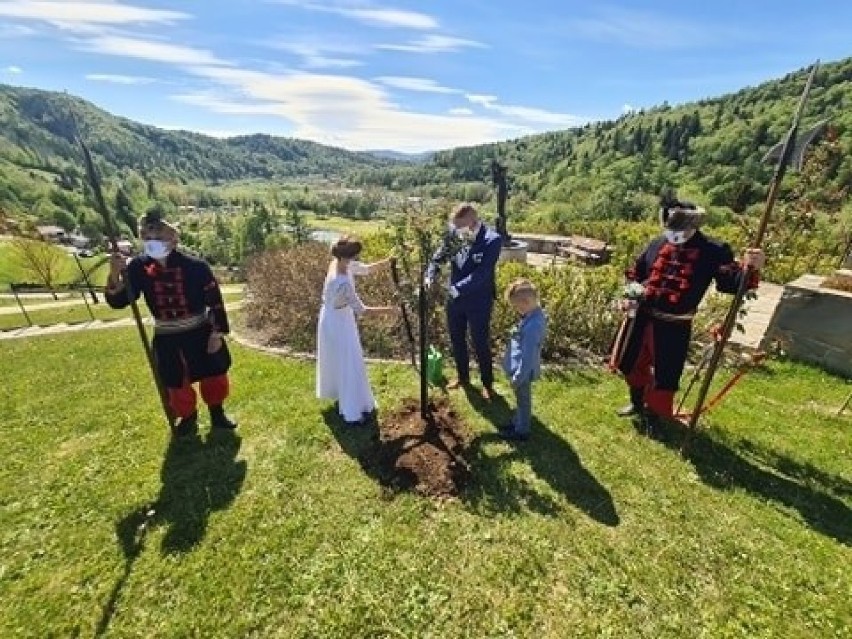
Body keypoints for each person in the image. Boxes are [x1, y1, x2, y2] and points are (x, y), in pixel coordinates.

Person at [612, 196, 766, 435]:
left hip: (674, 325)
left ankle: (654, 417)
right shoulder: (656, 243)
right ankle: (637, 403)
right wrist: (630, 293)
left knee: (666, 374)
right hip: (642, 319)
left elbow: (730, 283)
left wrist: (750, 267)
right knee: (632, 362)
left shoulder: (713, 250)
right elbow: (637, 272)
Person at [105, 206, 236, 438]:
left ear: (173, 237)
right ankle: (188, 418)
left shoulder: (196, 267)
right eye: (147, 236)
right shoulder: (138, 268)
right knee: (177, 381)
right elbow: (121, 301)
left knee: (213, 374)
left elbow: (215, 302)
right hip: (167, 337)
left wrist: (216, 334)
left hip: (200, 331)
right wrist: (115, 274)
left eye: (159, 236)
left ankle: (217, 414)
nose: (153, 240)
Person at [316, 236, 397, 425]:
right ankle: (352, 410)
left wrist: (388, 262)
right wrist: (391, 310)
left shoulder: (340, 263)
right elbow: (363, 310)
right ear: (347, 257)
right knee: (348, 363)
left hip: (334, 317)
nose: (356, 259)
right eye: (355, 256)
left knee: (342, 361)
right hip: (337, 324)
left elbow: (366, 269)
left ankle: (345, 397)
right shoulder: (342, 282)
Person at [425, 203, 502, 400]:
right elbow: (439, 256)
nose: (456, 230)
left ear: (472, 222)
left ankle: (487, 384)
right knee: (456, 338)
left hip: (479, 300)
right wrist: (430, 274)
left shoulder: (492, 240)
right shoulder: (454, 233)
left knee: (480, 341)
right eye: (455, 226)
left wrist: (457, 288)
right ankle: (463, 377)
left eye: (460, 226)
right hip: (455, 299)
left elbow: (482, 274)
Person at [500, 278, 547, 442]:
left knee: (523, 400)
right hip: (520, 369)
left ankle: (522, 430)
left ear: (526, 302)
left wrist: (518, 377)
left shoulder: (534, 325)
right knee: (520, 399)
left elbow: (528, 357)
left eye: (517, 306)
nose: (516, 310)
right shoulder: (532, 315)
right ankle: (517, 421)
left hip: (523, 371)